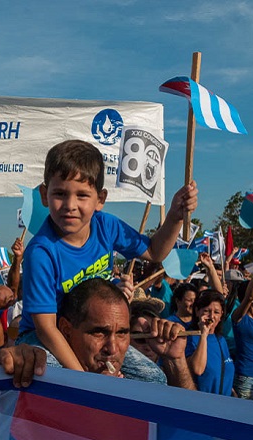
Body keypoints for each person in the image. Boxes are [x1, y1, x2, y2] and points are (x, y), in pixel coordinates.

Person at [19, 139, 198, 374]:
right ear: (44, 195)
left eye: (82, 195)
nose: (70, 205)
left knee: (152, 376)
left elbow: (155, 252)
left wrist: (175, 216)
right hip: (45, 340)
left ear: (100, 199)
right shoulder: (40, 252)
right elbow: (46, 329)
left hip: (93, 334)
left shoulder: (107, 226)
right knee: (48, 374)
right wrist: (86, 381)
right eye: (60, 193)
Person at [0, 278, 196, 389]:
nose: (112, 348)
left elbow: (189, 435)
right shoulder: (42, 372)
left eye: (122, 333)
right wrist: (4, 363)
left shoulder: (143, 381)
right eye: (99, 333)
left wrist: (177, 361)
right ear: (66, 330)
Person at [185, 289, 234, 395]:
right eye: (206, 311)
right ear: (197, 311)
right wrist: (204, 334)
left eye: (216, 312)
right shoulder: (189, 338)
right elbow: (197, 369)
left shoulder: (221, 340)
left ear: (221, 315)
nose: (212, 317)